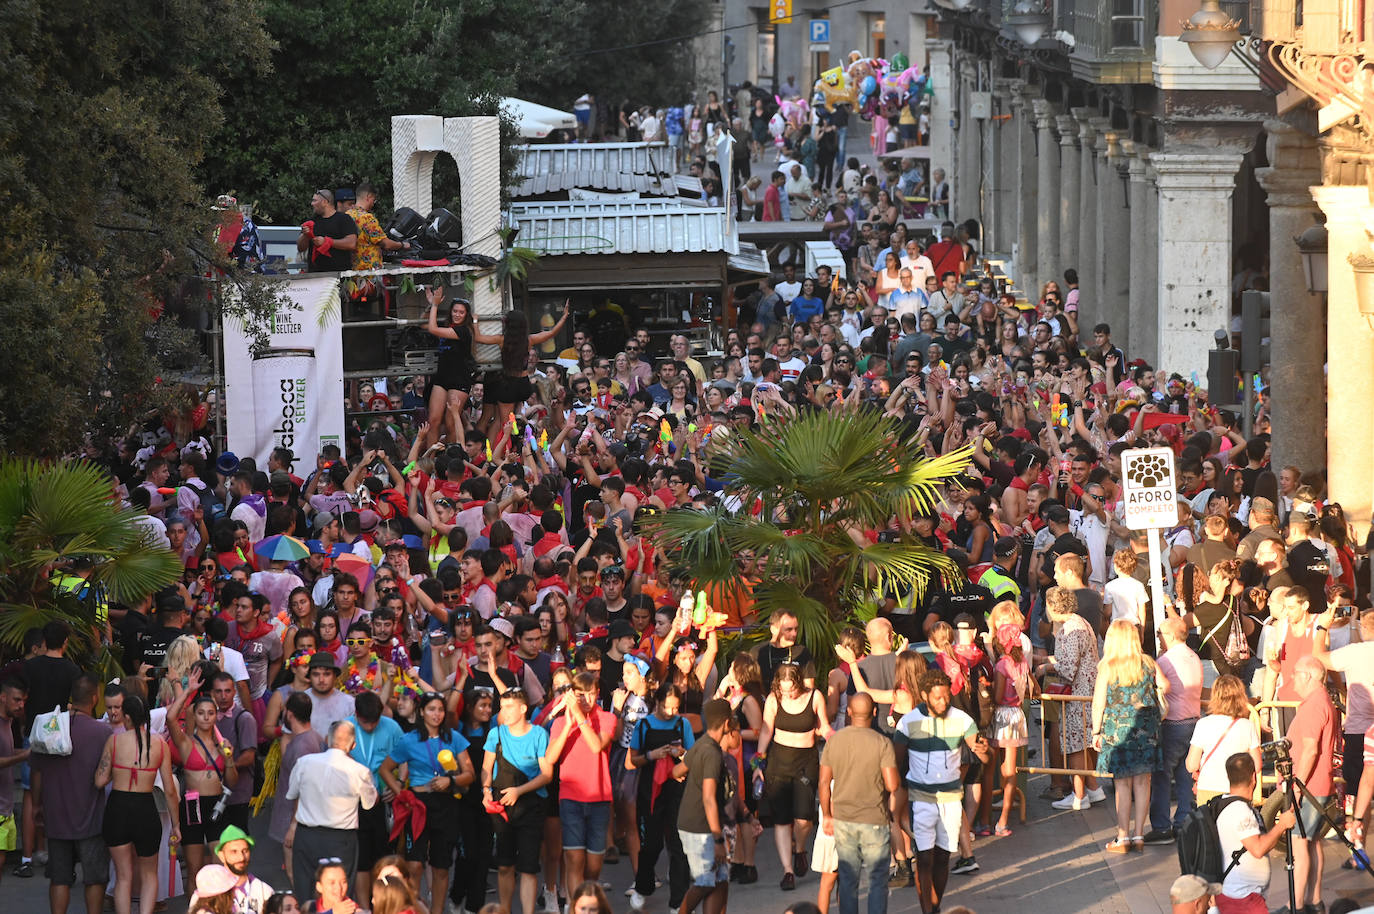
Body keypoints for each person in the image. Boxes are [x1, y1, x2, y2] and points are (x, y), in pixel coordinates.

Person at [893, 668, 988, 914]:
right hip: (920, 800)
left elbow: (981, 753)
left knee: (944, 857)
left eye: (946, 697)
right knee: (924, 859)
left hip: (951, 801)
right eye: (937, 697)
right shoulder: (908, 722)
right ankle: (930, 911)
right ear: (925, 695)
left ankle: (935, 906)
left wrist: (983, 751)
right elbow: (895, 762)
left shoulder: (962, 719)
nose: (943, 702)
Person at [379, 691, 474, 912]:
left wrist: (450, 780)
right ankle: (413, 907)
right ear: (421, 712)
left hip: (447, 804)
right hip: (418, 804)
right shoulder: (408, 739)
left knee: (441, 867)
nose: (437, 714)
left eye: (440, 709)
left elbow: (470, 774)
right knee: (414, 864)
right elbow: (385, 769)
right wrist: (401, 793)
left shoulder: (454, 738)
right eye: (431, 709)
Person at [30, 674, 112, 914]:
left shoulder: (50, 727)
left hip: (56, 816)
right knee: (94, 877)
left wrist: (36, 805)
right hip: (92, 818)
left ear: (71, 698)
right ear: (95, 698)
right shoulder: (102, 732)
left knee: (59, 877)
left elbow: (36, 772)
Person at [94, 694, 179, 914]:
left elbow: (99, 781)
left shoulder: (114, 741)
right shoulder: (160, 743)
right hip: (145, 810)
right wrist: (177, 825)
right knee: (149, 874)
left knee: (123, 876)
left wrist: (118, 769)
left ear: (127, 717)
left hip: (118, 809)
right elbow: (169, 789)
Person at [818, 694, 899, 914]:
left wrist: (827, 815)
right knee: (877, 882)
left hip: (843, 820)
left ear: (850, 713)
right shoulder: (882, 742)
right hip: (875, 819)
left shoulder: (834, 741)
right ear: (874, 713)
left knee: (847, 880)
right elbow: (892, 785)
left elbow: (824, 782)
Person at [757, 663, 832, 890]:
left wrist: (837, 741)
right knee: (781, 819)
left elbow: (824, 727)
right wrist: (757, 764)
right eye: (784, 689)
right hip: (778, 762)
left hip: (805, 762)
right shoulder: (773, 699)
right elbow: (766, 730)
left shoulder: (815, 697)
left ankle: (799, 848)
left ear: (799, 683)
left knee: (804, 819)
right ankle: (787, 871)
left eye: (791, 689)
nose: (788, 694)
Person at [545, 671, 616, 904]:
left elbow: (596, 746)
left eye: (590, 694)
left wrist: (580, 718)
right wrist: (567, 725)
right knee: (574, 860)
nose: (586, 699)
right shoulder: (559, 722)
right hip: (570, 798)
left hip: (599, 797)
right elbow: (550, 758)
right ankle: (577, 908)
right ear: (571, 695)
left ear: (597, 694)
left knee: (593, 866)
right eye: (580, 695)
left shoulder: (607, 719)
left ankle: (590, 902)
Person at [1091, 620, 1162, 852]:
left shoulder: (1108, 666)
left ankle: (1122, 837)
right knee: (1143, 783)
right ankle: (1139, 835)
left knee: (1122, 786)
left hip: (1118, 730)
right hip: (1147, 729)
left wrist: (1096, 731)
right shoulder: (1148, 663)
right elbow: (1165, 686)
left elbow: (1098, 703)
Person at [286, 719, 378, 897]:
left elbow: (292, 795)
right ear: (353, 745)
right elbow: (369, 804)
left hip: (307, 836)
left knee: (305, 891)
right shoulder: (359, 771)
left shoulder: (304, 762)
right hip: (340, 840)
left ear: (327, 739)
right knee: (339, 894)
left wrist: (292, 827)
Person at [481, 688, 552, 914]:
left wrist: (519, 791)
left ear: (523, 709)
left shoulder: (539, 734)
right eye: (501, 707)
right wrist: (485, 790)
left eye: (509, 707)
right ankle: (504, 910)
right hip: (502, 808)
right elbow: (486, 767)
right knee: (504, 866)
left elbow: (547, 774)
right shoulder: (496, 734)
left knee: (529, 868)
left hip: (531, 807)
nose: (504, 712)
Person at [1285, 654, 1338, 913]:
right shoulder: (1321, 701)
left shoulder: (1315, 705)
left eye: (1295, 672)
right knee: (1312, 842)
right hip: (1319, 784)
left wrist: (1297, 785)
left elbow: (1309, 750)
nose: (1291, 677)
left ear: (1307, 675)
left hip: (1309, 786)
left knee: (1299, 843)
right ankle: (1314, 900)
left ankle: (1295, 903)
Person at [1213, 752, 1296, 914]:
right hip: (1243, 899)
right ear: (1254, 777)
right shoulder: (1240, 810)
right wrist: (1282, 825)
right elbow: (1257, 848)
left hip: (1240, 896)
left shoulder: (1227, 803)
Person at [676, 699, 736, 914]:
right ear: (727, 723)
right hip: (699, 827)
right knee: (703, 882)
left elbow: (676, 771)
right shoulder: (712, 753)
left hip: (695, 822)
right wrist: (718, 839)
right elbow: (709, 798)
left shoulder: (701, 744)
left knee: (719, 879)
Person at [1146, 616, 1202, 844]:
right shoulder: (1194, 656)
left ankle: (1161, 826)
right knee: (1185, 777)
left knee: (1161, 777)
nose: (1158, 636)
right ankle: (1183, 823)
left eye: (1160, 633)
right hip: (1192, 721)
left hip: (1172, 723)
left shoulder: (1165, 661)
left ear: (1169, 635)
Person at [269, 692, 326, 891]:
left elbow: (304, 788)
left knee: (298, 876)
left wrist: (293, 825)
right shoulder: (311, 738)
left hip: (298, 823)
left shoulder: (303, 745)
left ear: (290, 714)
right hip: (300, 821)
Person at [423, 287, 484, 449]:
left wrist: (436, 305)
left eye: (461, 312)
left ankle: (450, 457)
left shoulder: (463, 331)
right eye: (455, 311)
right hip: (442, 378)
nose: (457, 314)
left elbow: (432, 329)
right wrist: (431, 306)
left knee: (451, 423)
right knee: (434, 420)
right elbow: (425, 324)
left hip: (459, 381)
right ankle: (430, 458)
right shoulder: (447, 325)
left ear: (466, 315)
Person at [1185, 674, 1261, 805]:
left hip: (1208, 787)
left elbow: (1191, 765)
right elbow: (1257, 765)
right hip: (1238, 790)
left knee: (1209, 825)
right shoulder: (1247, 725)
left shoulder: (1203, 724)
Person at [185, 826, 274, 914]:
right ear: (221, 856)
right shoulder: (207, 892)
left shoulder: (264, 891)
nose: (241, 857)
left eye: (245, 850)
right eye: (234, 852)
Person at [0, 678, 29, 884]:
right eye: (17, 700)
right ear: (3, 697)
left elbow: (8, 753)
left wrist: (29, 752)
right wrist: (25, 756)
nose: (21, 705)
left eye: (23, 701)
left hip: (6, 810)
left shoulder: (8, 722)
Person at [296, 190, 357, 273]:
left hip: (340, 275)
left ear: (324, 202)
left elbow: (351, 243)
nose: (312, 204)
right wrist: (305, 235)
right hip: (315, 275)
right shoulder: (312, 221)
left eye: (315, 200)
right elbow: (300, 248)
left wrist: (327, 242)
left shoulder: (344, 219)